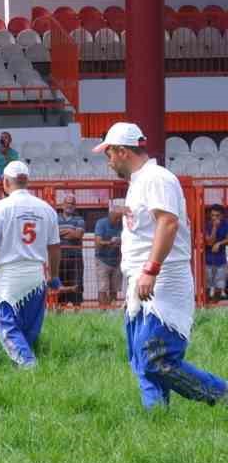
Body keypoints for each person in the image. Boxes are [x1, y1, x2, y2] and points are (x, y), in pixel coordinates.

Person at [92, 122, 226, 408]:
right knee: (141, 357)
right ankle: (156, 416)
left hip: (163, 276)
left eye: (109, 154)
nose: (108, 161)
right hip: (143, 278)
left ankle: (221, 395)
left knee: (157, 356)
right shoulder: (140, 181)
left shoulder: (156, 178)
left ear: (122, 151)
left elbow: (168, 222)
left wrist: (151, 269)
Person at [0, 161, 60, 368]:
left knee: (6, 325)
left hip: (8, 278)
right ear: (27, 180)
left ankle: (28, 366)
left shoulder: (1, 207)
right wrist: (54, 276)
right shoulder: (46, 209)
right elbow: (55, 247)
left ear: (5, 181)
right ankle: (24, 371)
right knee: (29, 327)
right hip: (36, 277)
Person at [93, 199, 126, 308]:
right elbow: (98, 242)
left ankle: (111, 310)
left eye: (120, 218)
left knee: (114, 288)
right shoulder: (101, 223)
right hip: (102, 260)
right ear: (110, 214)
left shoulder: (123, 224)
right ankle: (103, 310)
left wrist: (121, 242)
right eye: (116, 217)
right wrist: (109, 242)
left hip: (117, 260)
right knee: (103, 288)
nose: (118, 220)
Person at [56, 193, 86, 305]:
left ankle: (77, 312)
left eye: (72, 203)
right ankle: (60, 312)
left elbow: (78, 235)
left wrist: (61, 232)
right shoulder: (55, 218)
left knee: (76, 283)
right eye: (67, 203)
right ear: (63, 205)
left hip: (75, 256)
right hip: (60, 257)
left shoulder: (80, 219)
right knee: (61, 284)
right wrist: (70, 230)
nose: (70, 205)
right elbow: (52, 235)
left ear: (75, 206)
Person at [205, 203, 228, 302]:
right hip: (208, 259)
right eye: (213, 215)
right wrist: (214, 227)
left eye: (217, 215)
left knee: (220, 281)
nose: (214, 218)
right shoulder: (206, 225)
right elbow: (209, 242)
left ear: (222, 215)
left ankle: (218, 300)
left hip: (221, 259)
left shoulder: (226, 223)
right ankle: (208, 300)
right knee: (209, 282)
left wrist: (219, 243)